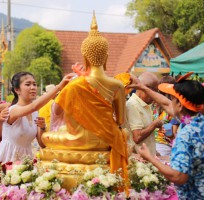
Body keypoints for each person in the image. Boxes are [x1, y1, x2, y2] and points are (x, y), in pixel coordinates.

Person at [41, 13, 129, 192]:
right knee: (125, 135)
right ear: (106, 56)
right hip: (106, 142)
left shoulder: (75, 84)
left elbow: (56, 110)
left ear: (85, 57)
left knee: (47, 137)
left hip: (78, 142)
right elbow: (120, 121)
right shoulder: (117, 85)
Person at [129, 74, 204, 200]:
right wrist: (142, 87)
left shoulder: (187, 133)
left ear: (180, 105)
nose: (170, 102)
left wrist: (150, 158)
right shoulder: (199, 121)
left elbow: (178, 177)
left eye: (173, 99)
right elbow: (166, 104)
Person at [0, 72, 75, 163]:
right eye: (28, 84)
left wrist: (42, 127)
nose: (33, 87)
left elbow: (42, 144)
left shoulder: (35, 113)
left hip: (26, 162)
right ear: (17, 90)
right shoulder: (13, 110)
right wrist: (58, 87)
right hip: (7, 161)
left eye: (34, 84)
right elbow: (34, 106)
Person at [125, 72, 162, 156]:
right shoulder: (133, 105)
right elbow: (137, 137)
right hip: (140, 161)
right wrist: (154, 124)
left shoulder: (146, 105)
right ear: (143, 88)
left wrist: (154, 151)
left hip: (148, 159)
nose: (155, 95)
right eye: (154, 91)